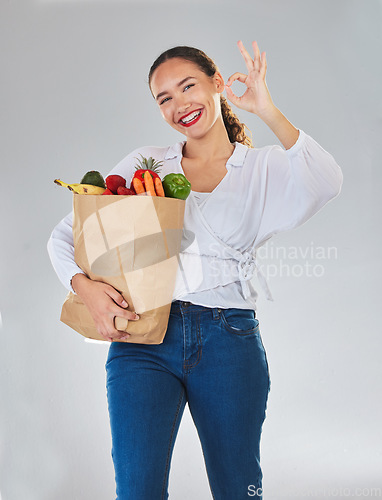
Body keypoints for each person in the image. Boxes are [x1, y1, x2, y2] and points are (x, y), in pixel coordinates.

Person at [47, 40, 343, 499]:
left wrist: (267, 109)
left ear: (218, 85)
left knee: (238, 490)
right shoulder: (148, 163)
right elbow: (65, 234)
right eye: (164, 98)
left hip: (229, 341)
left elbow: (327, 179)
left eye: (188, 86)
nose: (178, 104)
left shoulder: (260, 168)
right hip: (143, 341)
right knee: (137, 491)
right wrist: (84, 286)